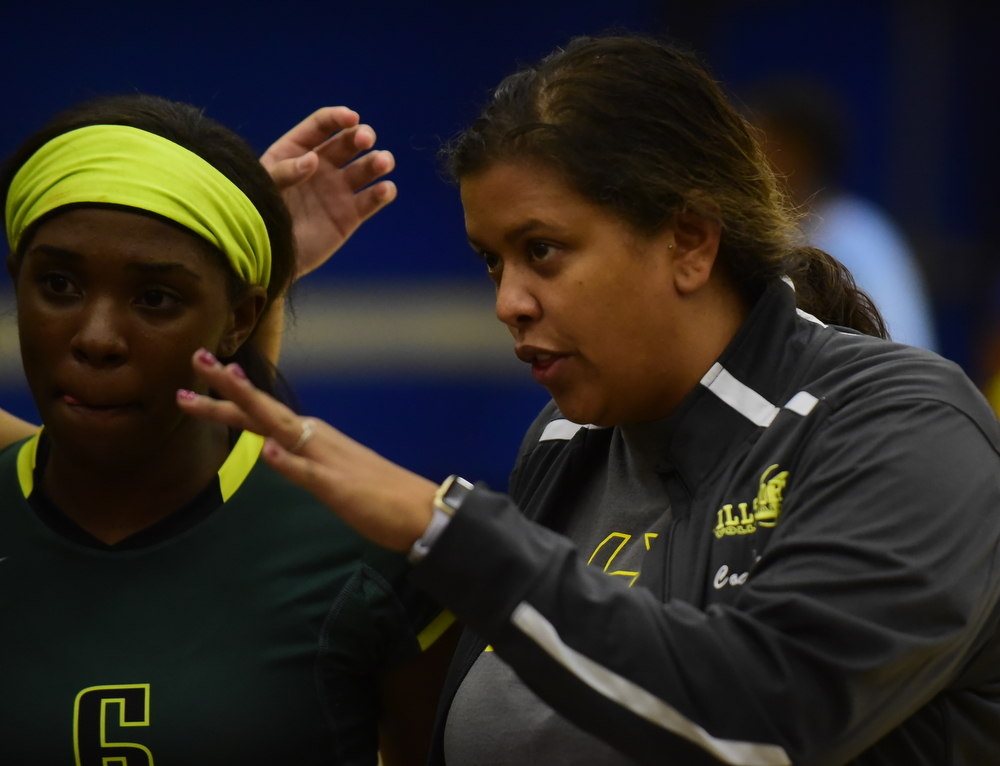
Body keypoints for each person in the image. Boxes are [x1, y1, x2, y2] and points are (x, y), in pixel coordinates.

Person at [180, 35, 1000, 766]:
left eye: (543, 250)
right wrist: (253, 286)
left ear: (689, 240)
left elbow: (767, 720)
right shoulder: (568, 437)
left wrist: (447, 528)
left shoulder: (909, 424)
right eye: (493, 262)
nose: (509, 301)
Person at [0, 94, 455, 765]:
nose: (96, 339)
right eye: (59, 285)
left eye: (156, 297)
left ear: (241, 316)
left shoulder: (373, 549)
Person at [751, 77, 939, 351]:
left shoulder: (860, 236)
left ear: (799, 152)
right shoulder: (774, 233)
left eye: (762, 140)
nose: (751, 155)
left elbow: (902, 349)